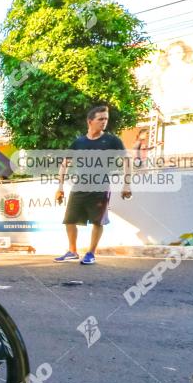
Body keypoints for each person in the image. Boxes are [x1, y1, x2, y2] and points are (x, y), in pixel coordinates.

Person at [54, 105, 132, 265]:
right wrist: (60, 187)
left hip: (100, 186)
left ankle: (91, 253)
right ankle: (72, 251)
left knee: (98, 221)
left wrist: (127, 184)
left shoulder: (112, 140)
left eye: (106, 119)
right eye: (100, 119)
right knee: (69, 219)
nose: (104, 122)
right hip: (79, 186)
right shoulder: (78, 142)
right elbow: (64, 164)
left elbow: (127, 160)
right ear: (90, 121)